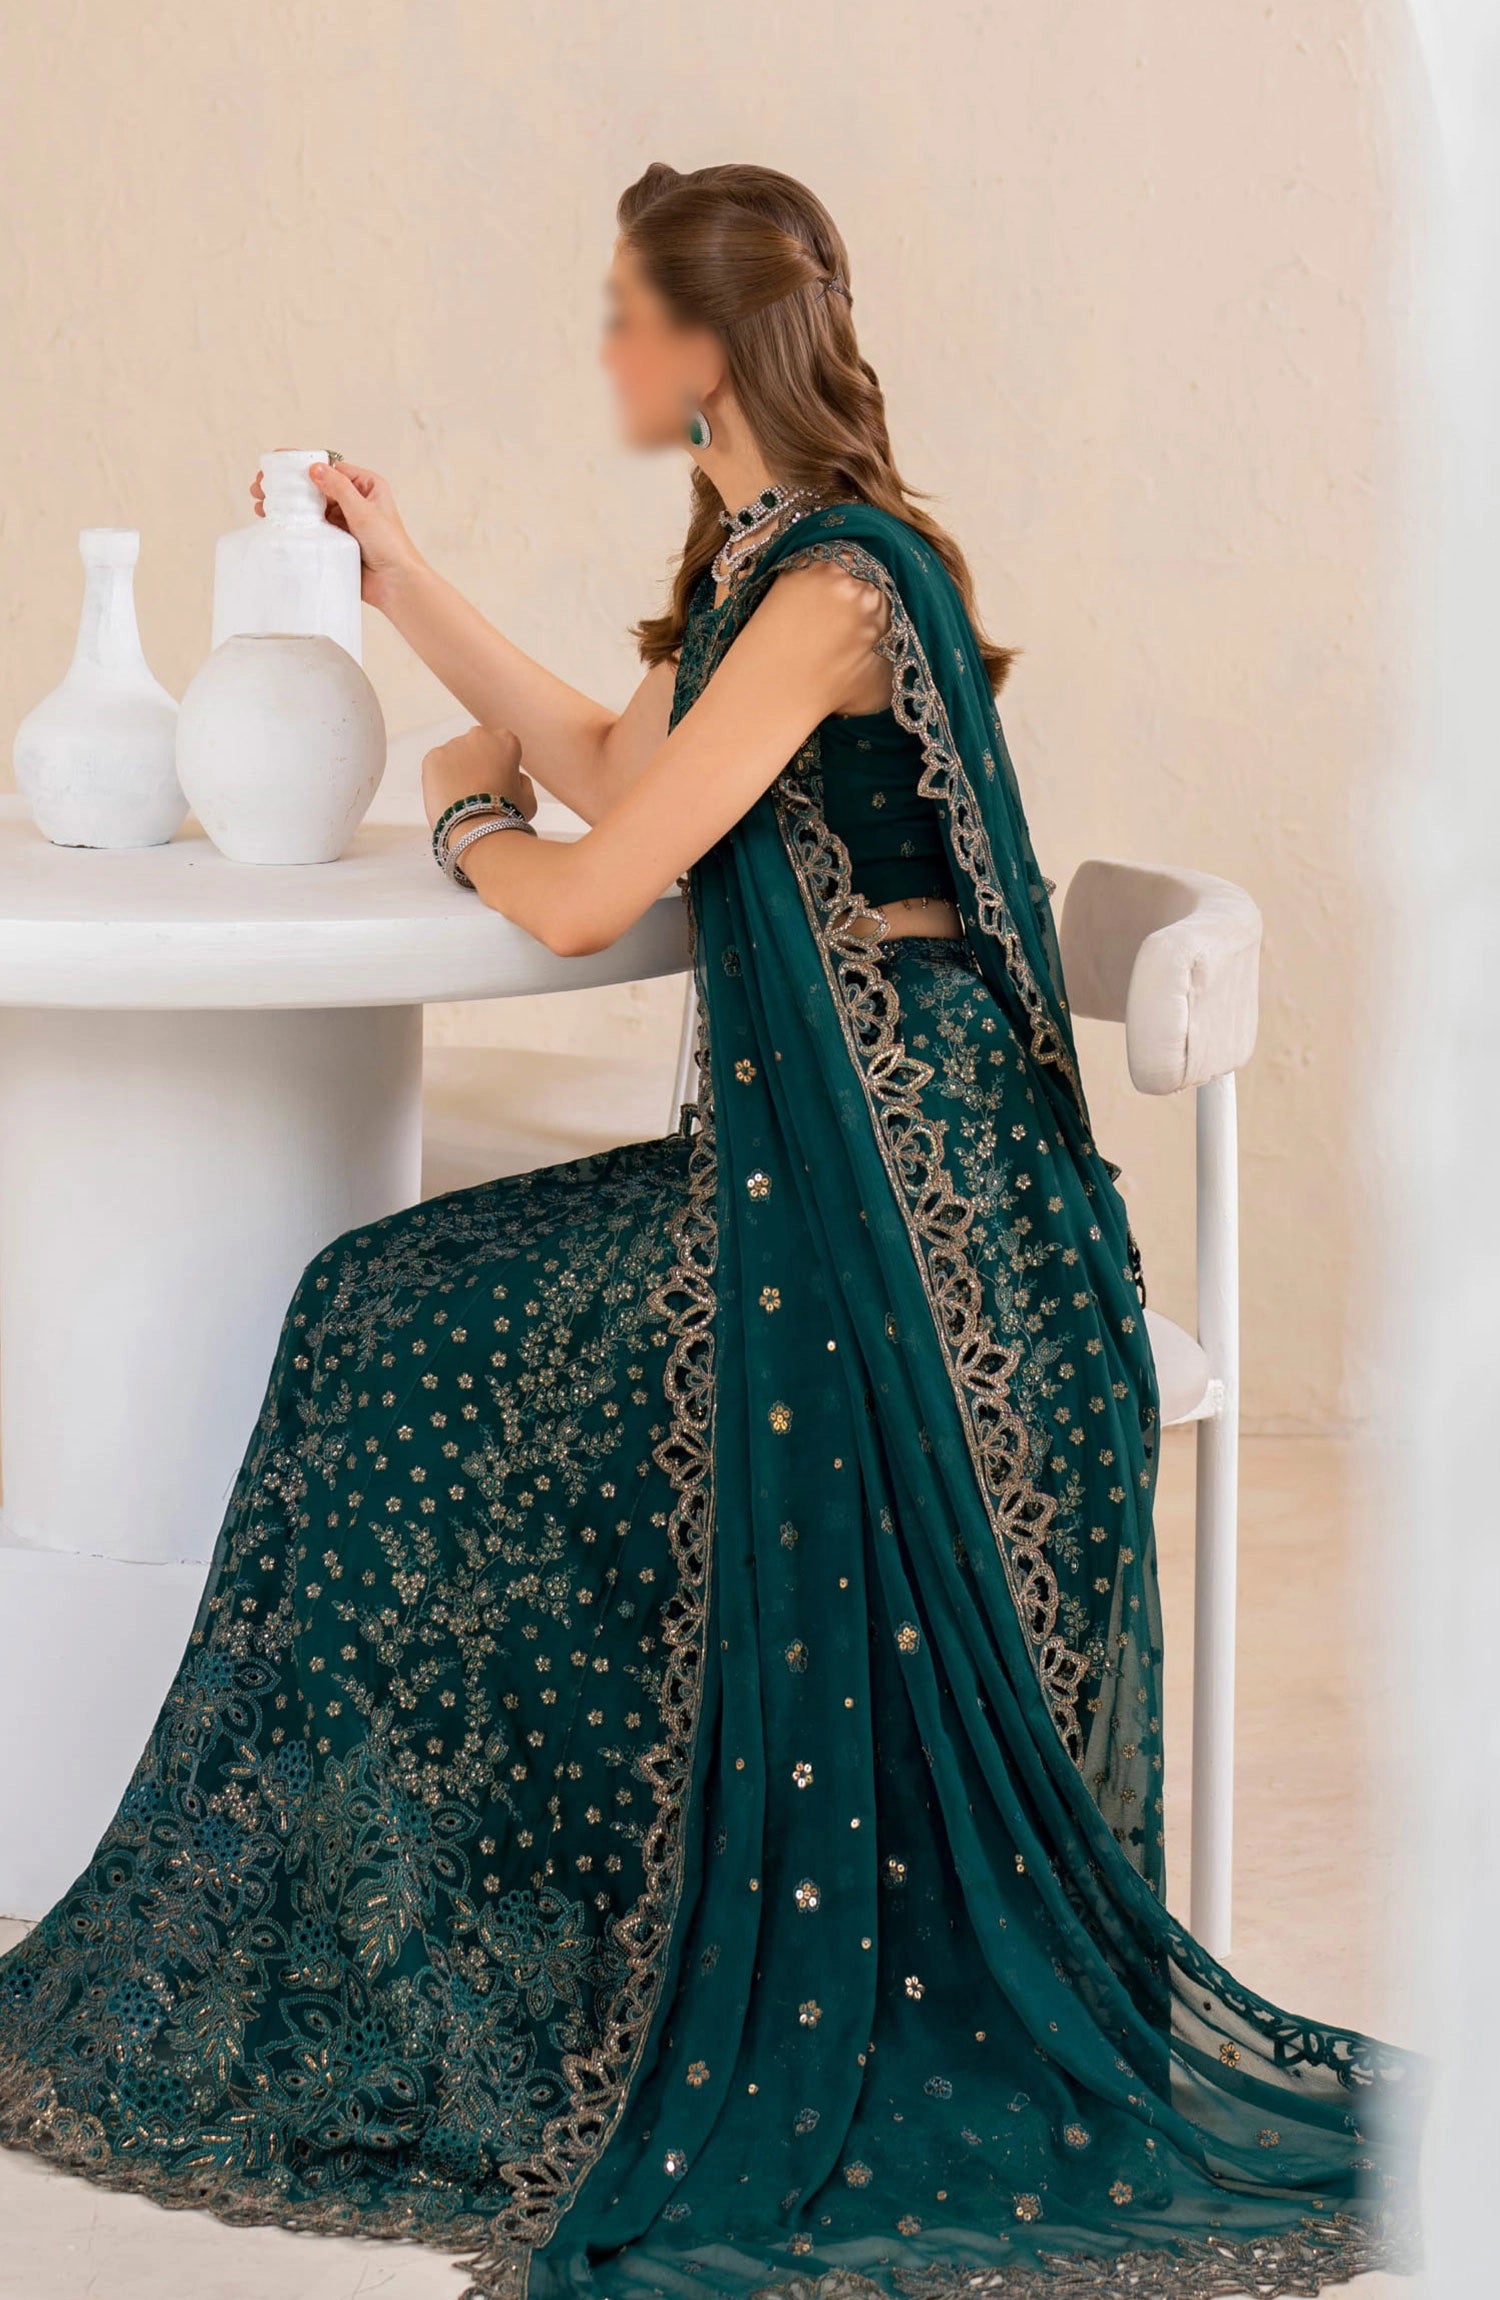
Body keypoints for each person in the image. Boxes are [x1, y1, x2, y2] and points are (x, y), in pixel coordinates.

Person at [0, 161, 1424, 2300]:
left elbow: (586, 879)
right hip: (824, 1166)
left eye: (620, 313)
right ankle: (414, 1924)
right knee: (379, 1295)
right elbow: (610, 756)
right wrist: (404, 578)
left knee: (399, 1318)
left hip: (926, 1210)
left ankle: (458, 1937)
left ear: (701, 344)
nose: (600, 348)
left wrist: (461, 812)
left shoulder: (840, 586)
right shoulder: (763, 572)